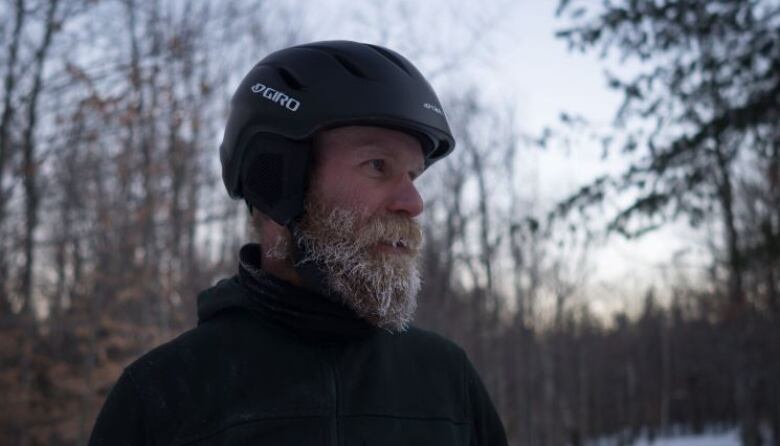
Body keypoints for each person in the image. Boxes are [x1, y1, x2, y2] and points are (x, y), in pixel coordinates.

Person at [88, 40, 508, 446]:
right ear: (278, 181)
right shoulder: (165, 394)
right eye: (378, 165)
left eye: (413, 176)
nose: (413, 203)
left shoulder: (447, 381)